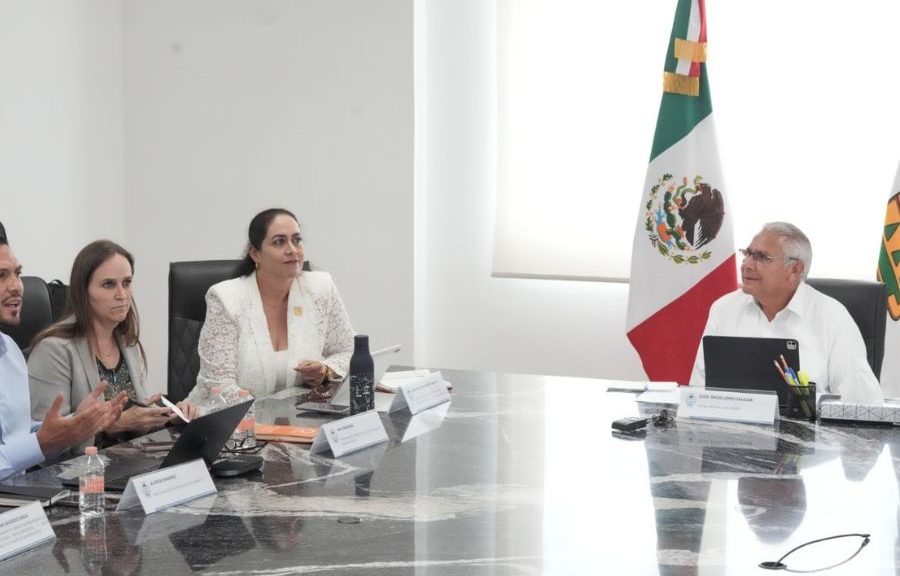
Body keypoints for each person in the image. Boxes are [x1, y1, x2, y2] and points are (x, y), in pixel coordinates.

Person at [690, 221, 883, 404]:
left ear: (794, 269)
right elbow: (698, 393)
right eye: (747, 254)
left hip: (807, 428)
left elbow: (862, 403)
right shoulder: (724, 309)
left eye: (761, 257)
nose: (746, 264)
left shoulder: (832, 317)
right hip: (730, 426)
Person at [28, 240, 197, 447]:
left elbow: (137, 420)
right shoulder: (53, 351)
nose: (122, 295)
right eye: (108, 284)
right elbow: (47, 441)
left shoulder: (128, 343)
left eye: (126, 283)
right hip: (84, 466)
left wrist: (169, 416)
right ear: (83, 291)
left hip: (133, 459)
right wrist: (111, 425)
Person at [187, 208, 354, 402]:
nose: (292, 250)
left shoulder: (320, 288)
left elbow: (350, 352)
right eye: (279, 242)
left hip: (298, 416)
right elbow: (217, 385)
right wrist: (263, 415)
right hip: (233, 417)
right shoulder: (226, 299)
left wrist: (326, 370)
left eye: (297, 240)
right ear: (255, 254)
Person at [0, 222, 125, 480]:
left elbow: (20, 438)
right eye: (1, 276)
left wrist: (75, 424)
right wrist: (42, 442)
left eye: (18, 273)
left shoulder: (9, 352)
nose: (16, 286)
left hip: (22, 497)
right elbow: (32, 446)